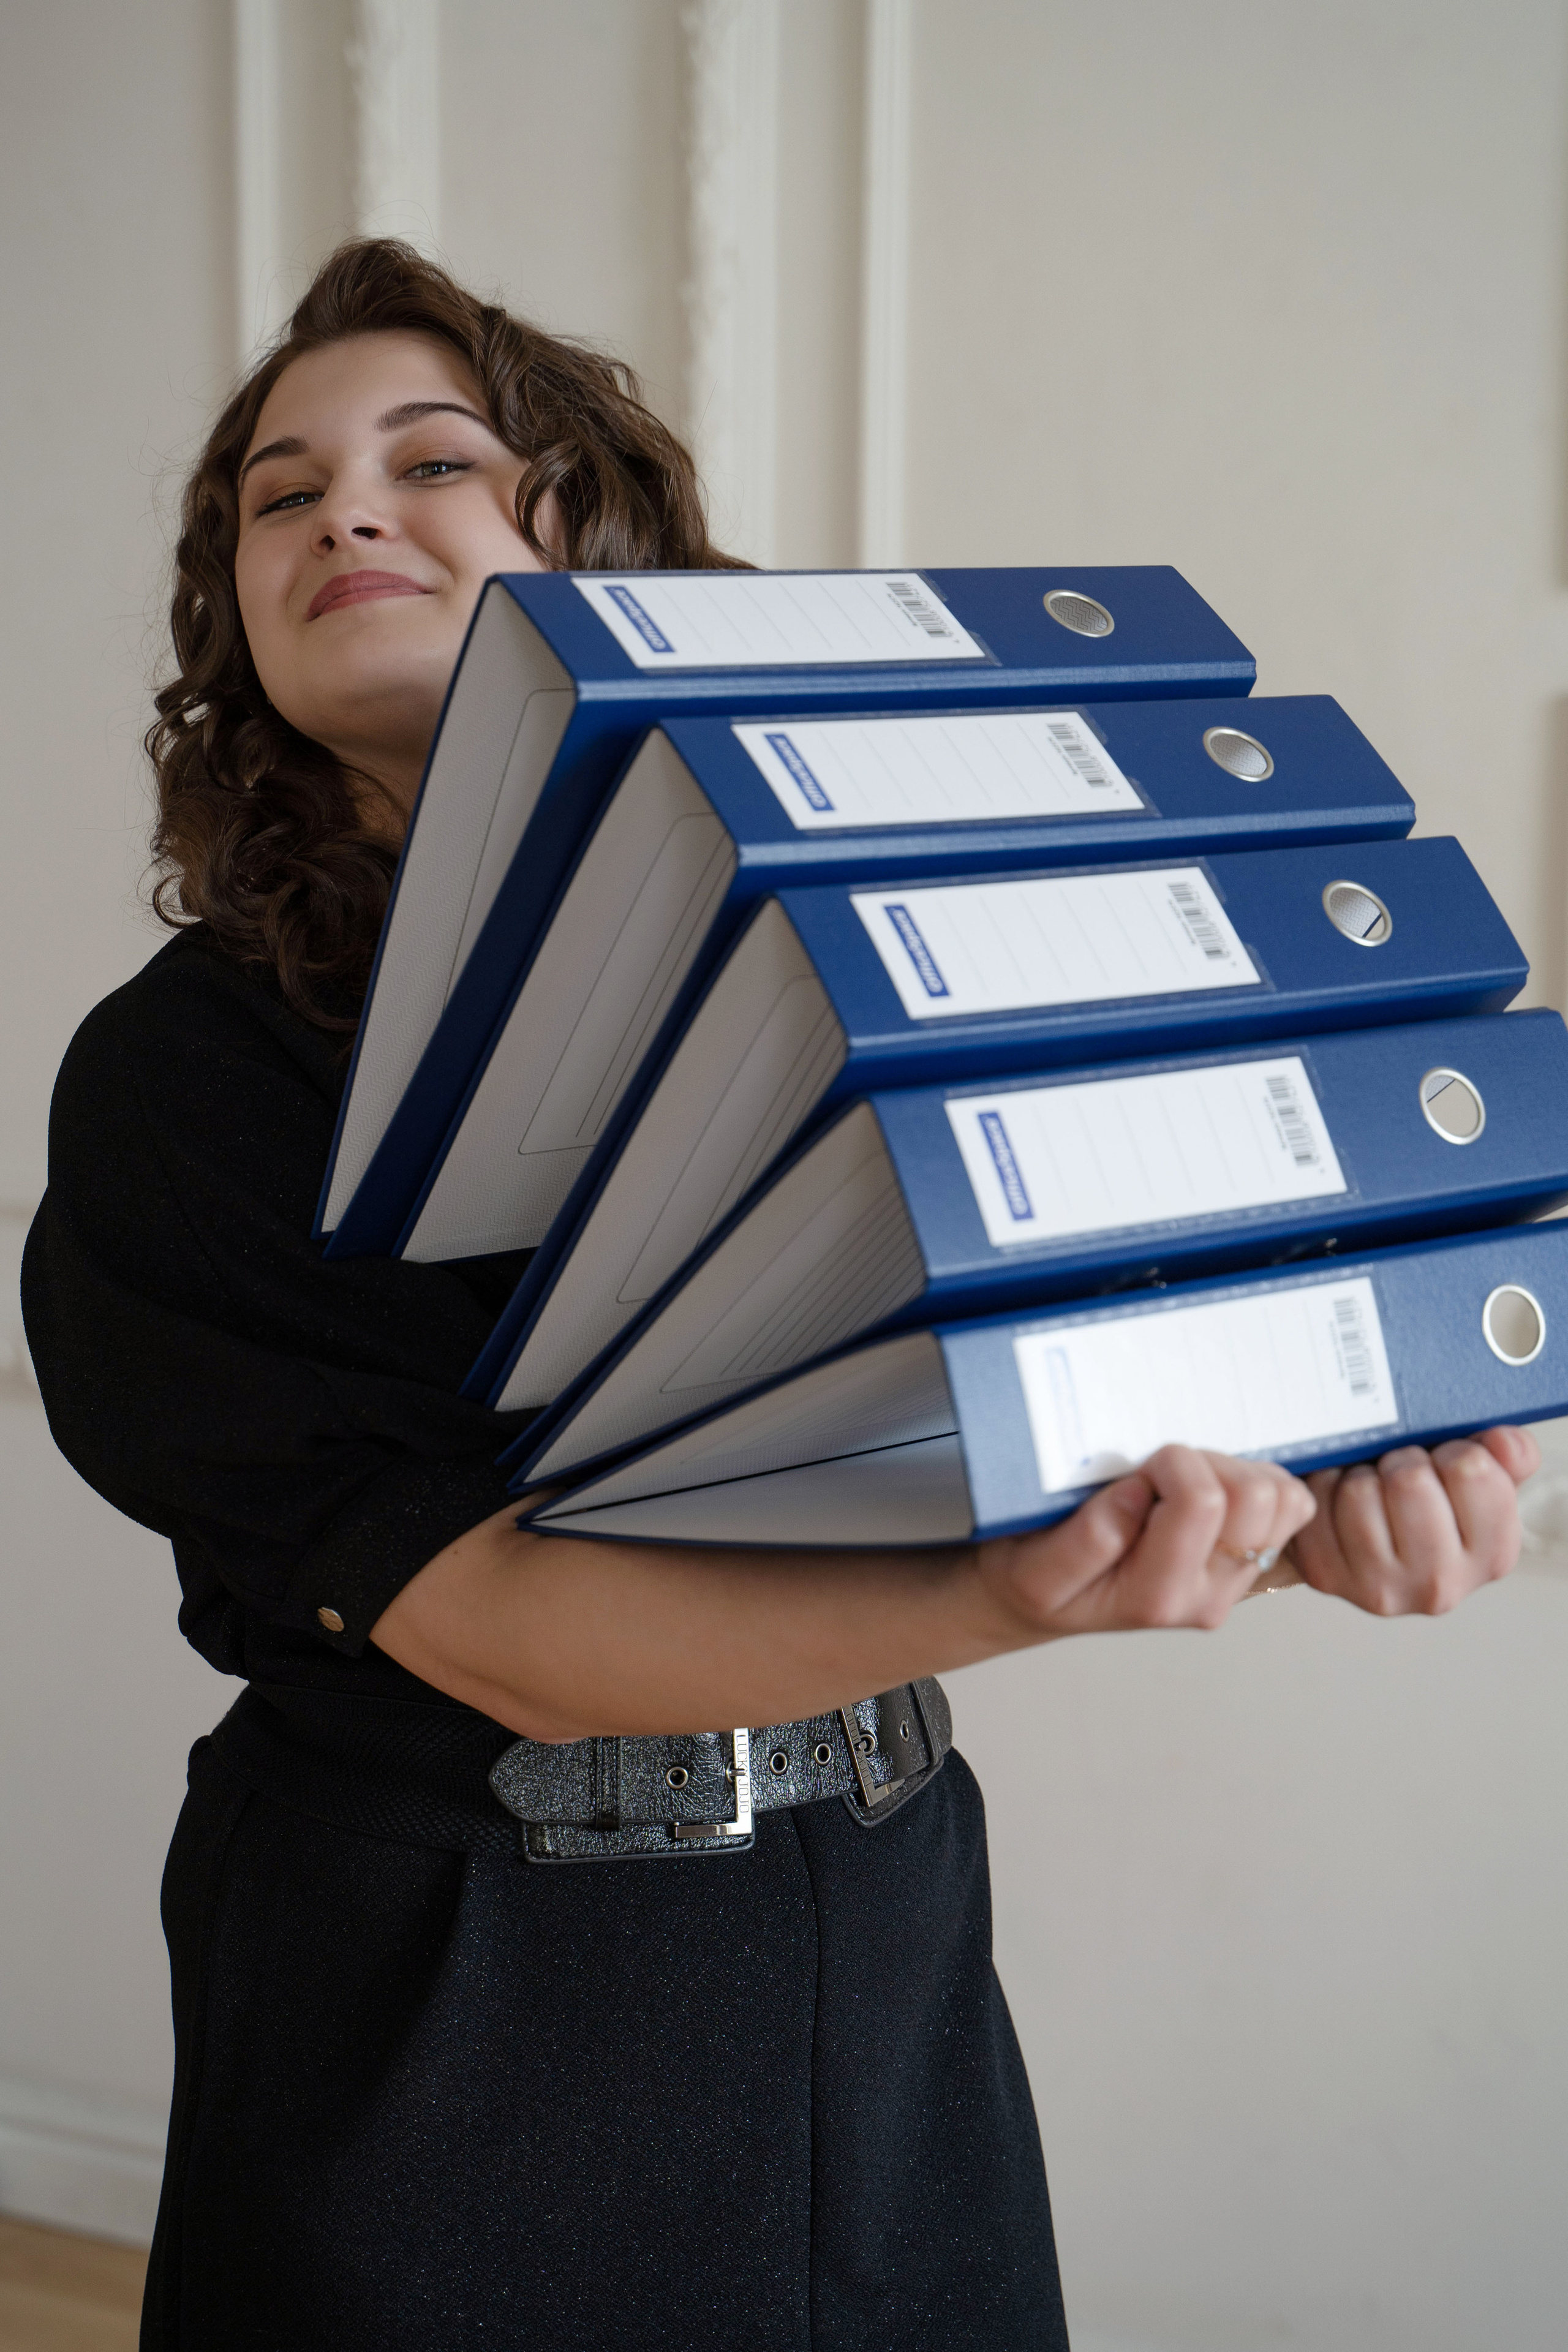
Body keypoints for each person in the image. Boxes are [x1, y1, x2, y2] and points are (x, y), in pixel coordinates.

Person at [21, 240, 1536, 2352]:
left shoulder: (879, 948)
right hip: (445, 1979)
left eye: (432, 460)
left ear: (599, 540)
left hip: (878, 1926)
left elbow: (1005, 1393)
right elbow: (504, 1629)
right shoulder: (182, 1080)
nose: (345, 510)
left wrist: (1302, 1509)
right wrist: (1029, 1596)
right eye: (281, 496)